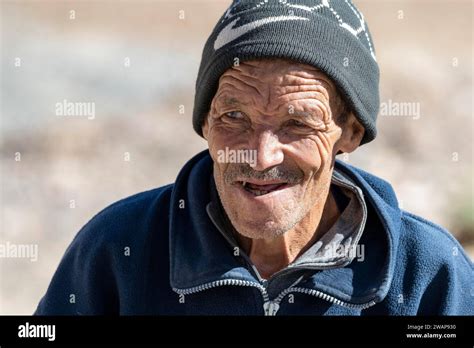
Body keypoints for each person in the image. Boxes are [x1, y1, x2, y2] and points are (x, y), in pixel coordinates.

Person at [35, 0, 473, 315]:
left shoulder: (428, 275)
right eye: (234, 116)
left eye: (298, 124)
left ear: (351, 132)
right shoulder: (118, 250)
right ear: (204, 123)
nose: (261, 155)